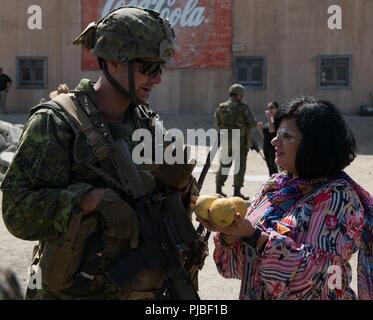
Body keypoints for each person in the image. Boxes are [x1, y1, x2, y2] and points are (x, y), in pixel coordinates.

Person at [1, 7, 205, 300]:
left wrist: (185, 188)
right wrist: (90, 199)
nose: (157, 79)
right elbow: (16, 212)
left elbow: (173, 203)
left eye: (160, 68)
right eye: (149, 68)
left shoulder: (147, 123)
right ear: (113, 62)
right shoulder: (58, 123)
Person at [198, 96, 373, 300]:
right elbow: (237, 269)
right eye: (277, 133)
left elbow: (318, 277)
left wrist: (257, 239)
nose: (274, 140)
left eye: (287, 136)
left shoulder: (338, 199)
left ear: (314, 146)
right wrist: (230, 233)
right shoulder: (275, 188)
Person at [214, 84, 257, 199]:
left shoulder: (222, 107)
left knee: (224, 164)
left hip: (226, 140)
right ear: (238, 95)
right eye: (241, 95)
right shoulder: (243, 107)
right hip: (240, 141)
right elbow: (252, 122)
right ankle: (237, 192)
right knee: (240, 165)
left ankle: (218, 189)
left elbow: (217, 123)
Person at [257, 101, 279, 176]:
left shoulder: (277, 121)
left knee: (275, 166)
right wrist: (260, 129)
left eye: (272, 108)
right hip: (266, 146)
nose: (269, 110)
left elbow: (272, 130)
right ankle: (272, 183)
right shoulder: (268, 121)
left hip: (274, 147)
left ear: (276, 109)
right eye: (268, 108)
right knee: (270, 166)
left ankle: (277, 183)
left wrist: (269, 118)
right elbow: (265, 136)